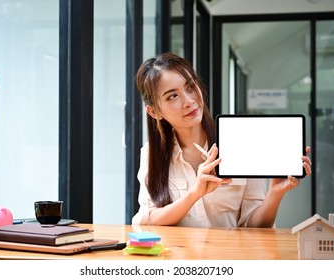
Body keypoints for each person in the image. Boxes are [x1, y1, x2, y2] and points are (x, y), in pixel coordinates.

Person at [132, 52, 312, 228]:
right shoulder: (152, 154)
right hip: (177, 257)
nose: (189, 101)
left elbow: (255, 225)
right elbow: (148, 219)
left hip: (228, 257)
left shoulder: (242, 144)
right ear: (154, 112)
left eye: (190, 87)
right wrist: (195, 193)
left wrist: (275, 193)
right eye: (172, 96)